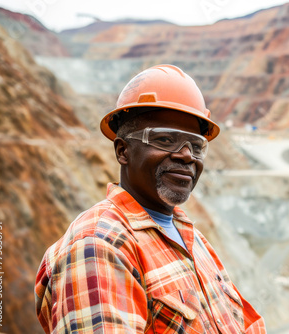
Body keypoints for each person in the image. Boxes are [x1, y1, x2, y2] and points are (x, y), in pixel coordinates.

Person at [35, 64, 267, 333]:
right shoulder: (100, 244)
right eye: (165, 139)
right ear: (123, 151)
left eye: (195, 146)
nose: (186, 156)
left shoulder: (189, 236)